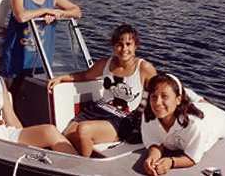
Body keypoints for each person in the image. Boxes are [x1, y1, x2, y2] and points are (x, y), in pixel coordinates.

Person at [46, 24, 157, 157]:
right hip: (97, 110)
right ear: (114, 46)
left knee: (83, 130)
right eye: (120, 44)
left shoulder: (144, 67)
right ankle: (77, 162)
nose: (124, 49)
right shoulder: (106, 63)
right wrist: (61, 78)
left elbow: (157, 92)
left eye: (128, 44)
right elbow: (84, 76)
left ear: (135, 47)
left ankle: (83, 165)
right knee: (67, 135)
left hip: (122, 118)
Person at [0, 0, 81, 79]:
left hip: (42, 59)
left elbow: (77, 11)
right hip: (16, 58)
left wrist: (59, 13)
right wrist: (46, 10)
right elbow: (21, 16)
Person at [141, 73, 225, 175]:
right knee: (194, 105)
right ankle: (191, 98)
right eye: (153, 96)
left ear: (178, 99)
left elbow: (192, 158)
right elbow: (155, 142)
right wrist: (152, 157)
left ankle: (199, 101)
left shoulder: (195, 125)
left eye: (164, 96)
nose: (157, 102)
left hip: (216, 117)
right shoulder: (150, 115)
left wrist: (171, 162)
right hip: (187, 107)